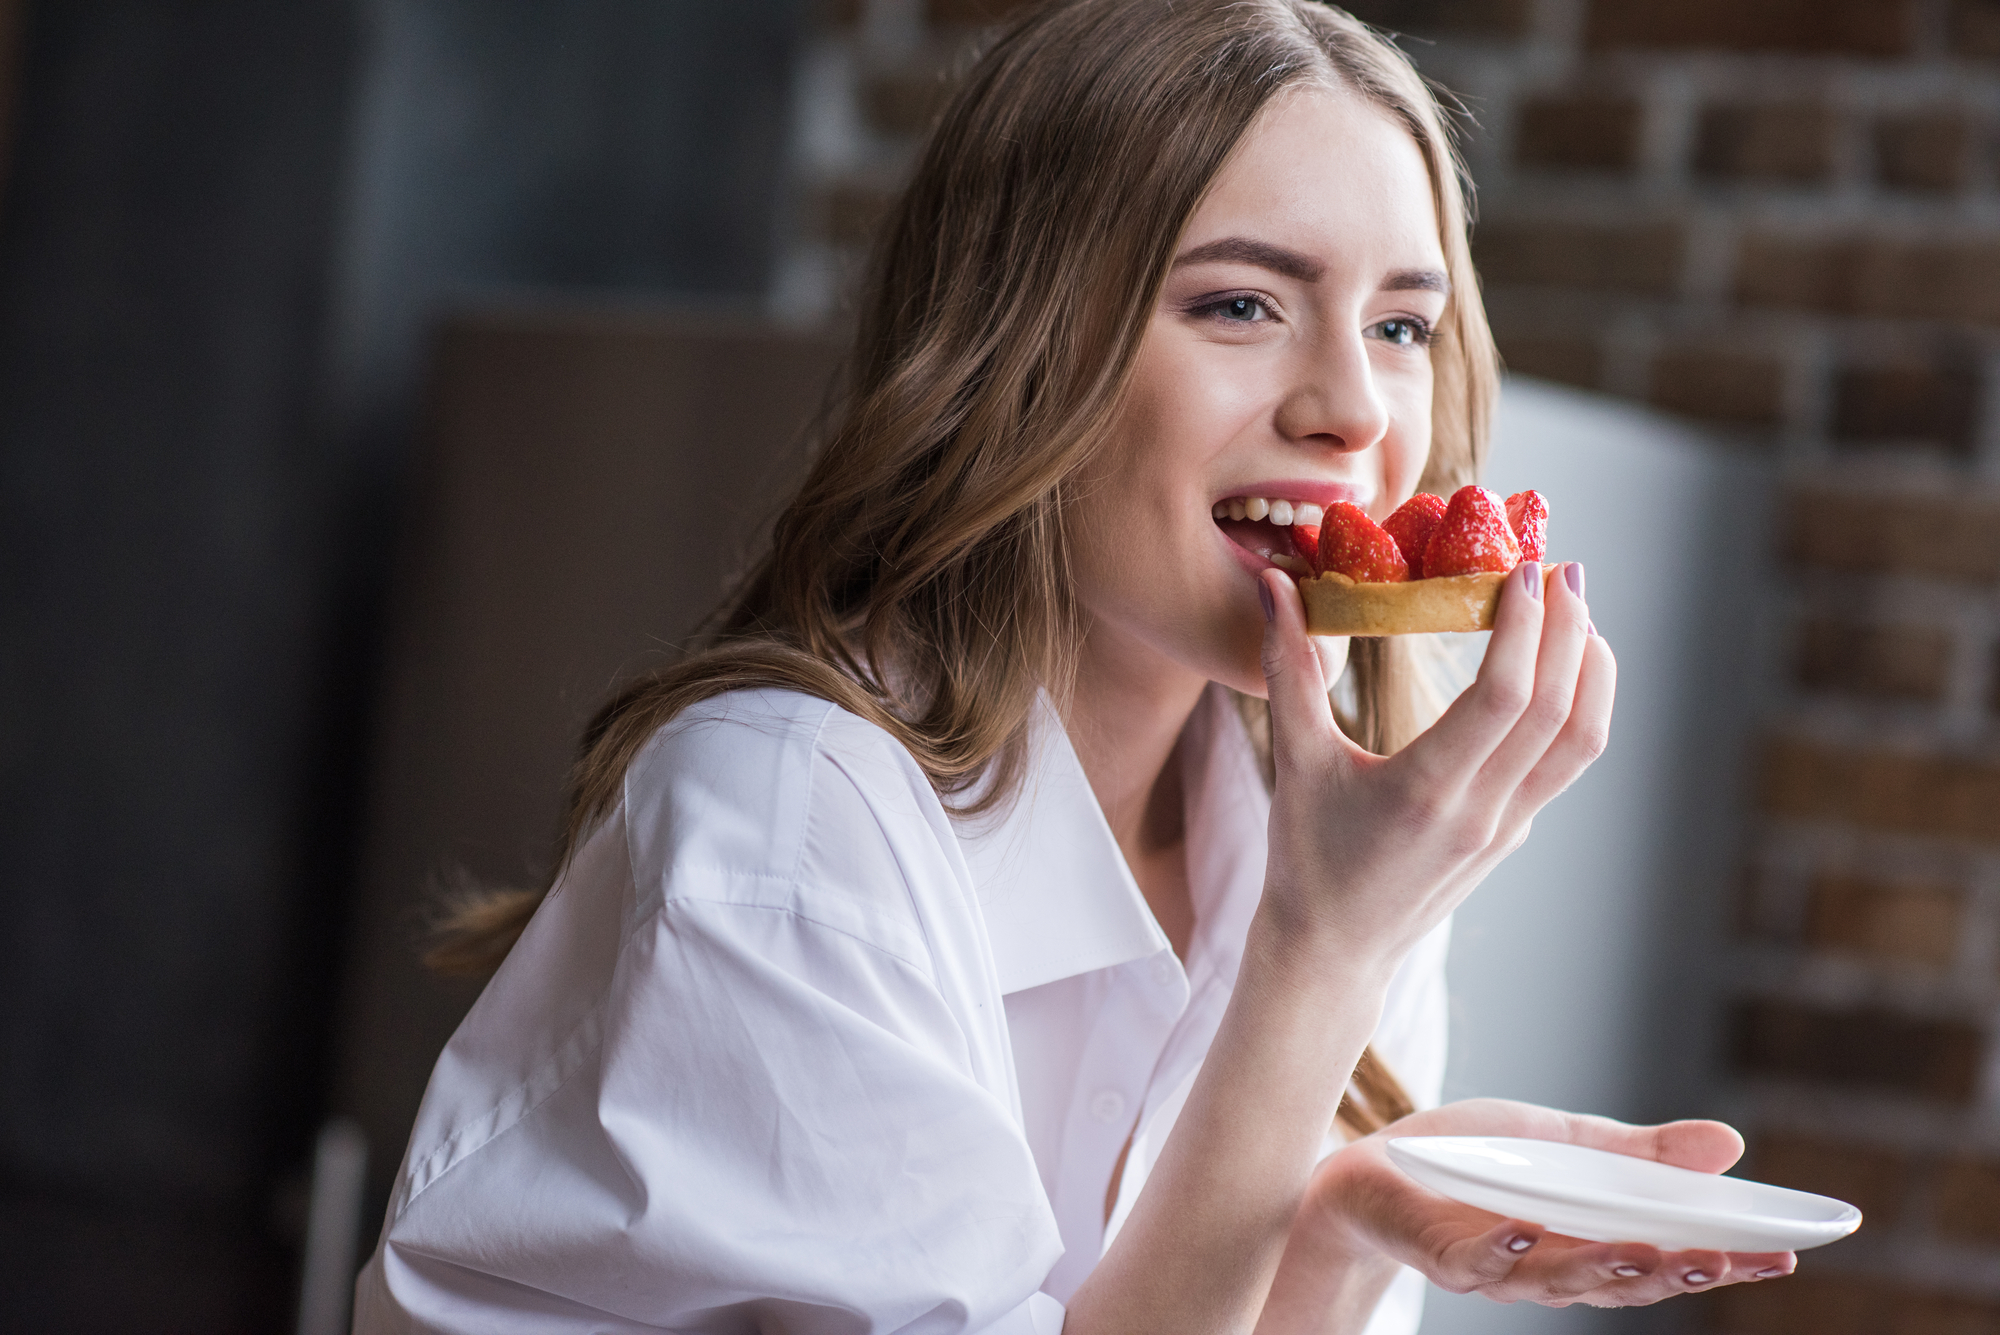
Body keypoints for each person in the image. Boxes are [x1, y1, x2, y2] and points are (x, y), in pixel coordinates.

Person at [353, 2, 1796, 1330]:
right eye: (1240, 304)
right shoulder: (797, 818)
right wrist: (1325, 952)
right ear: (1014, 351)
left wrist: (1346, 1228)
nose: (1353, 404)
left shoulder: (1328, 843)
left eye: (1403, 326)